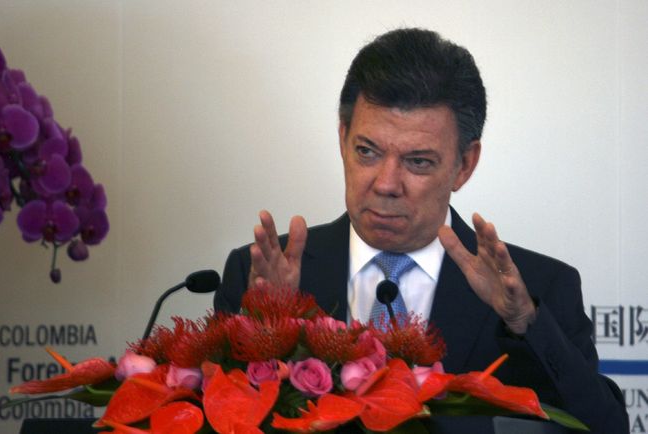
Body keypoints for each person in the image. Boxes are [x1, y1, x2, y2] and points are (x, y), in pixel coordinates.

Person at [214, 28, 628, 433]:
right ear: (343, 139)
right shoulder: (260, 274)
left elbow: (605, 426)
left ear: (464, 165)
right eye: (367, 151)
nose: (386, 184)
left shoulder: (538, 289)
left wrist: (524, 323)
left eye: (418, 162)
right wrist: (266, 325)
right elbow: (222, 418)